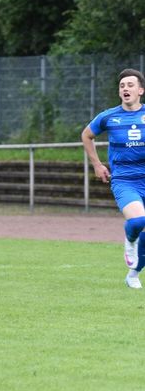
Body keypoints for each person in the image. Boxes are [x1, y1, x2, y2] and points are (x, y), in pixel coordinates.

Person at [82, 68, 145, 289]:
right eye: (122, 86)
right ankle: (130, 240)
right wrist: (97, 164)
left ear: (141, 90)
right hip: (125, 181)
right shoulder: (109, 116)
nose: (125, 88)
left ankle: (133, 274)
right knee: (138, 221)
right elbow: (86, 135)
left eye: (130, 85)